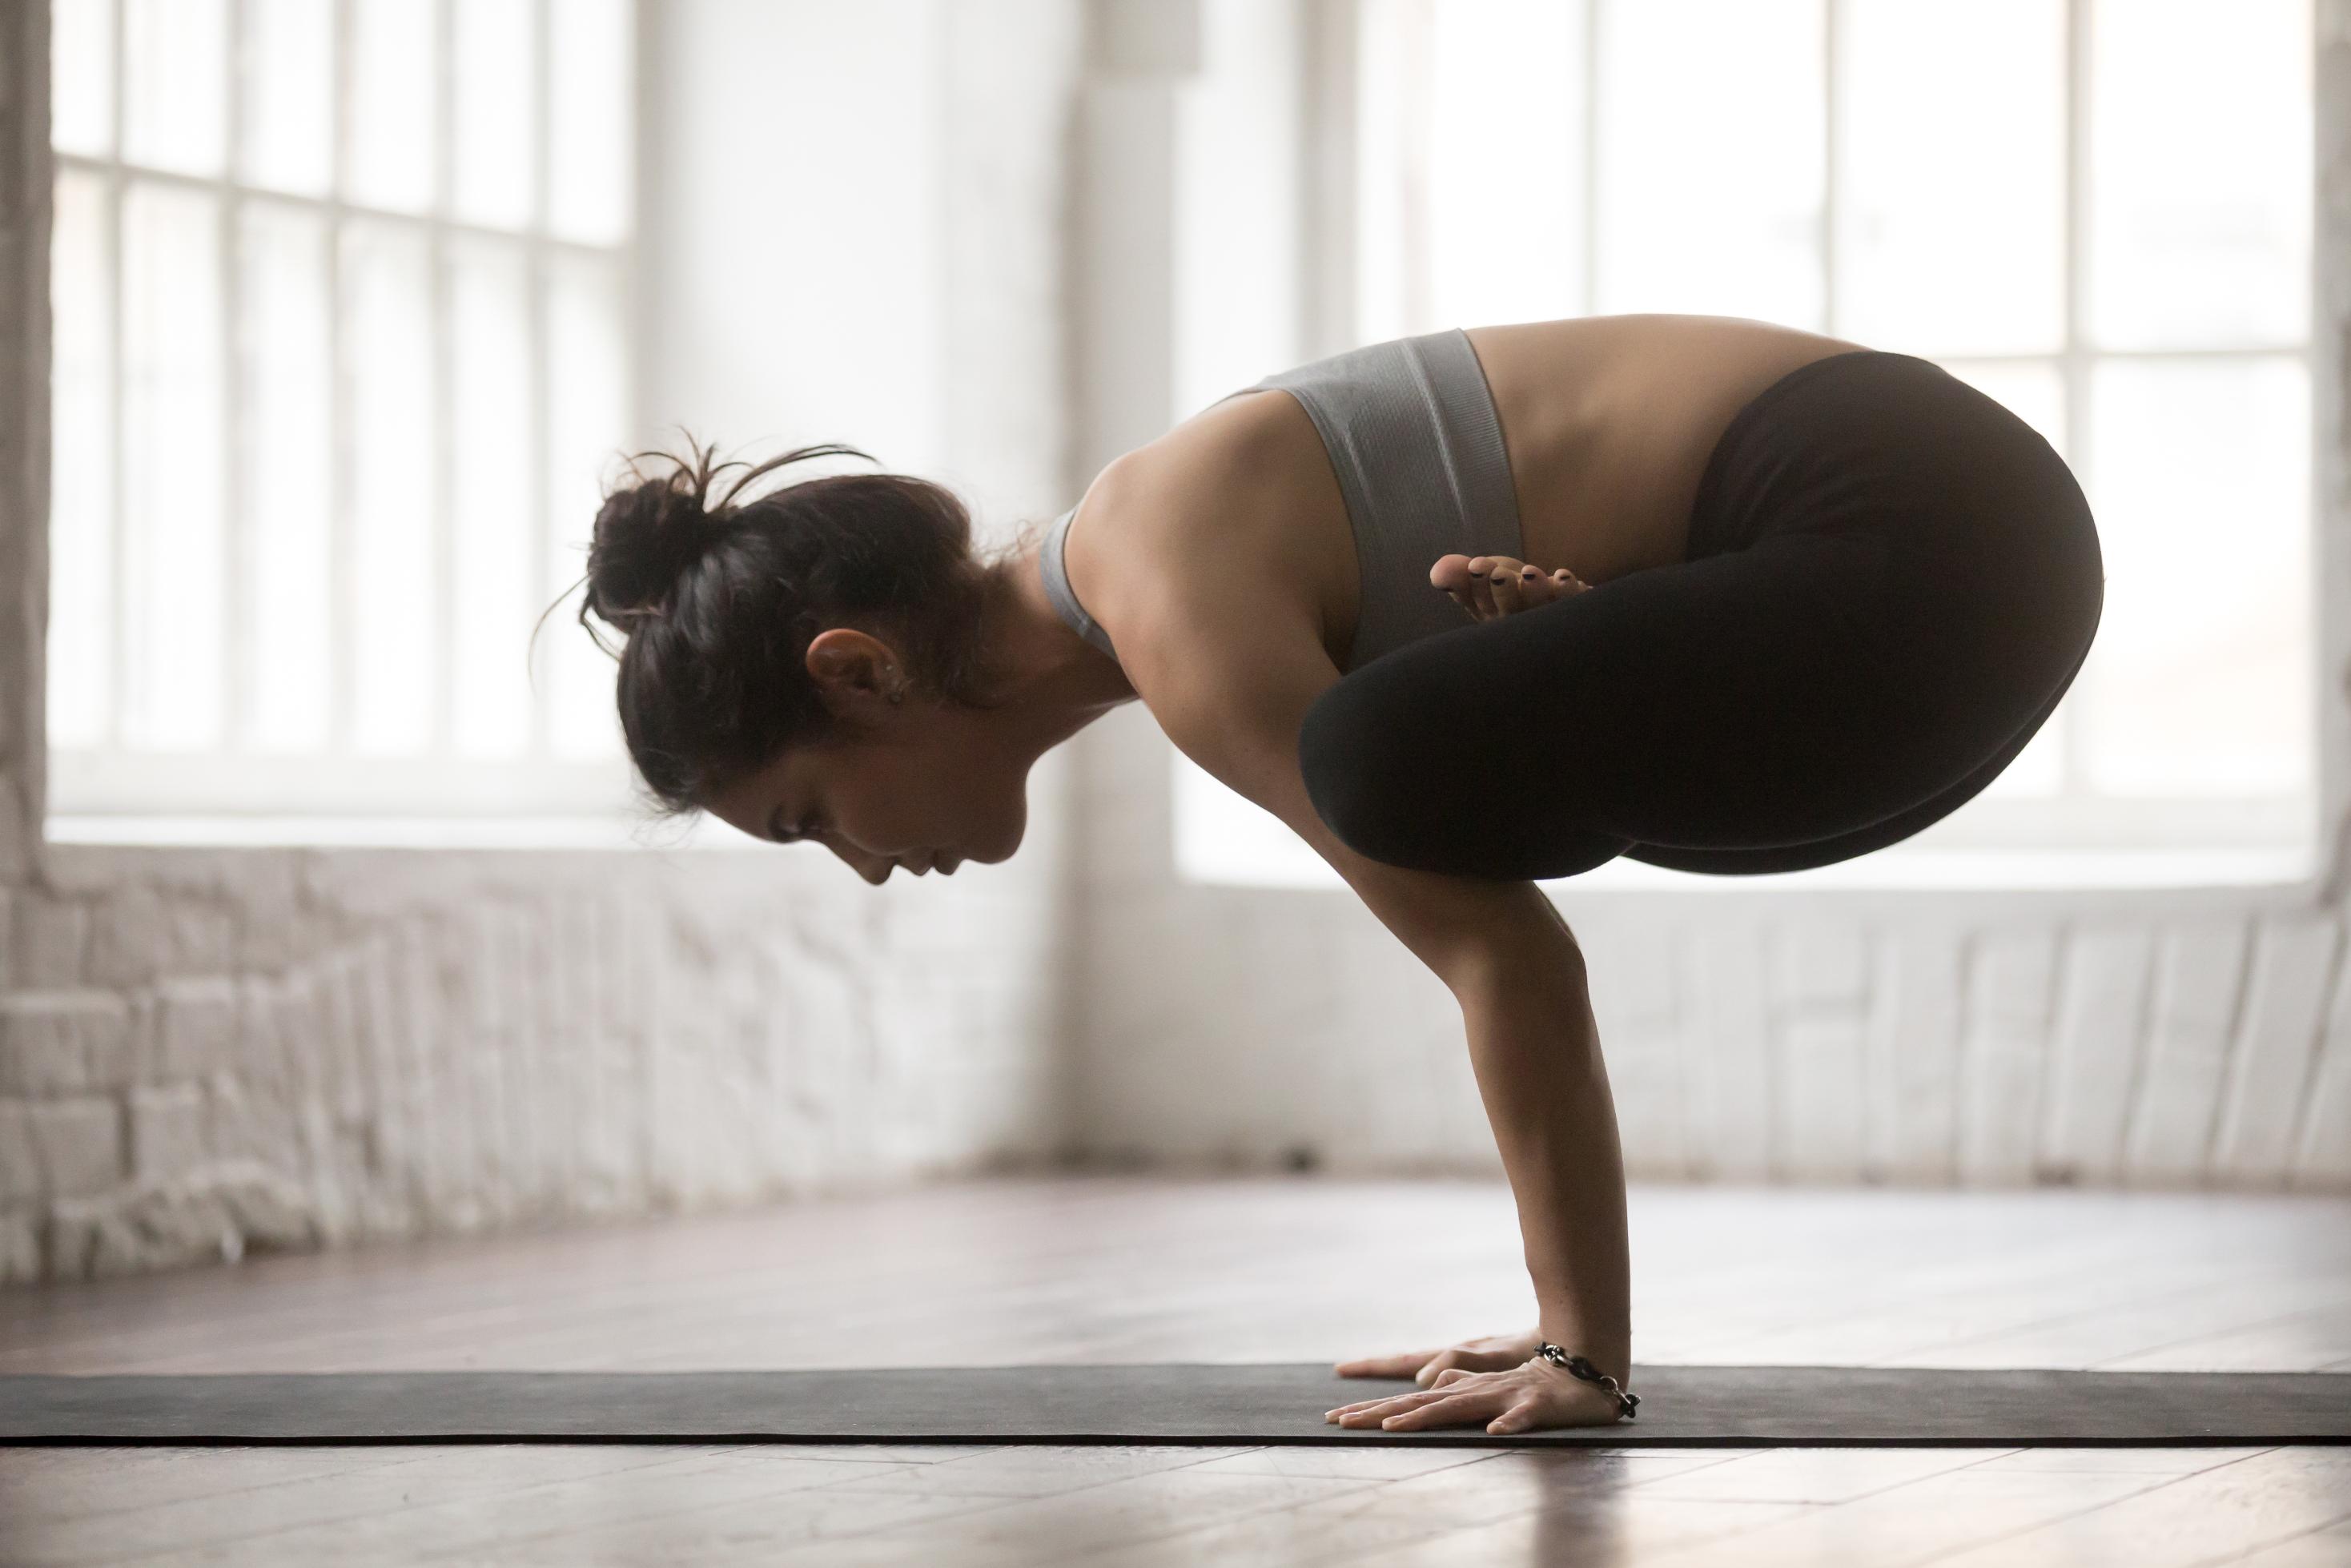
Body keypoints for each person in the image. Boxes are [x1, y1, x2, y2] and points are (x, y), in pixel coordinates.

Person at [570, 312, 2105, 1434]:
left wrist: (1582, 1352)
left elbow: (1509, 957)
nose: (856, 868)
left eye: (807, 818)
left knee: (1385, 766)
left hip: (1931, 539)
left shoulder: (1162, 595)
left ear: (857, 675)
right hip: (1942, 574)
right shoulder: (1140, 570)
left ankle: (1580, 1334)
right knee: (1427, 755)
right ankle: (1574, 652)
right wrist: (1605, 639)